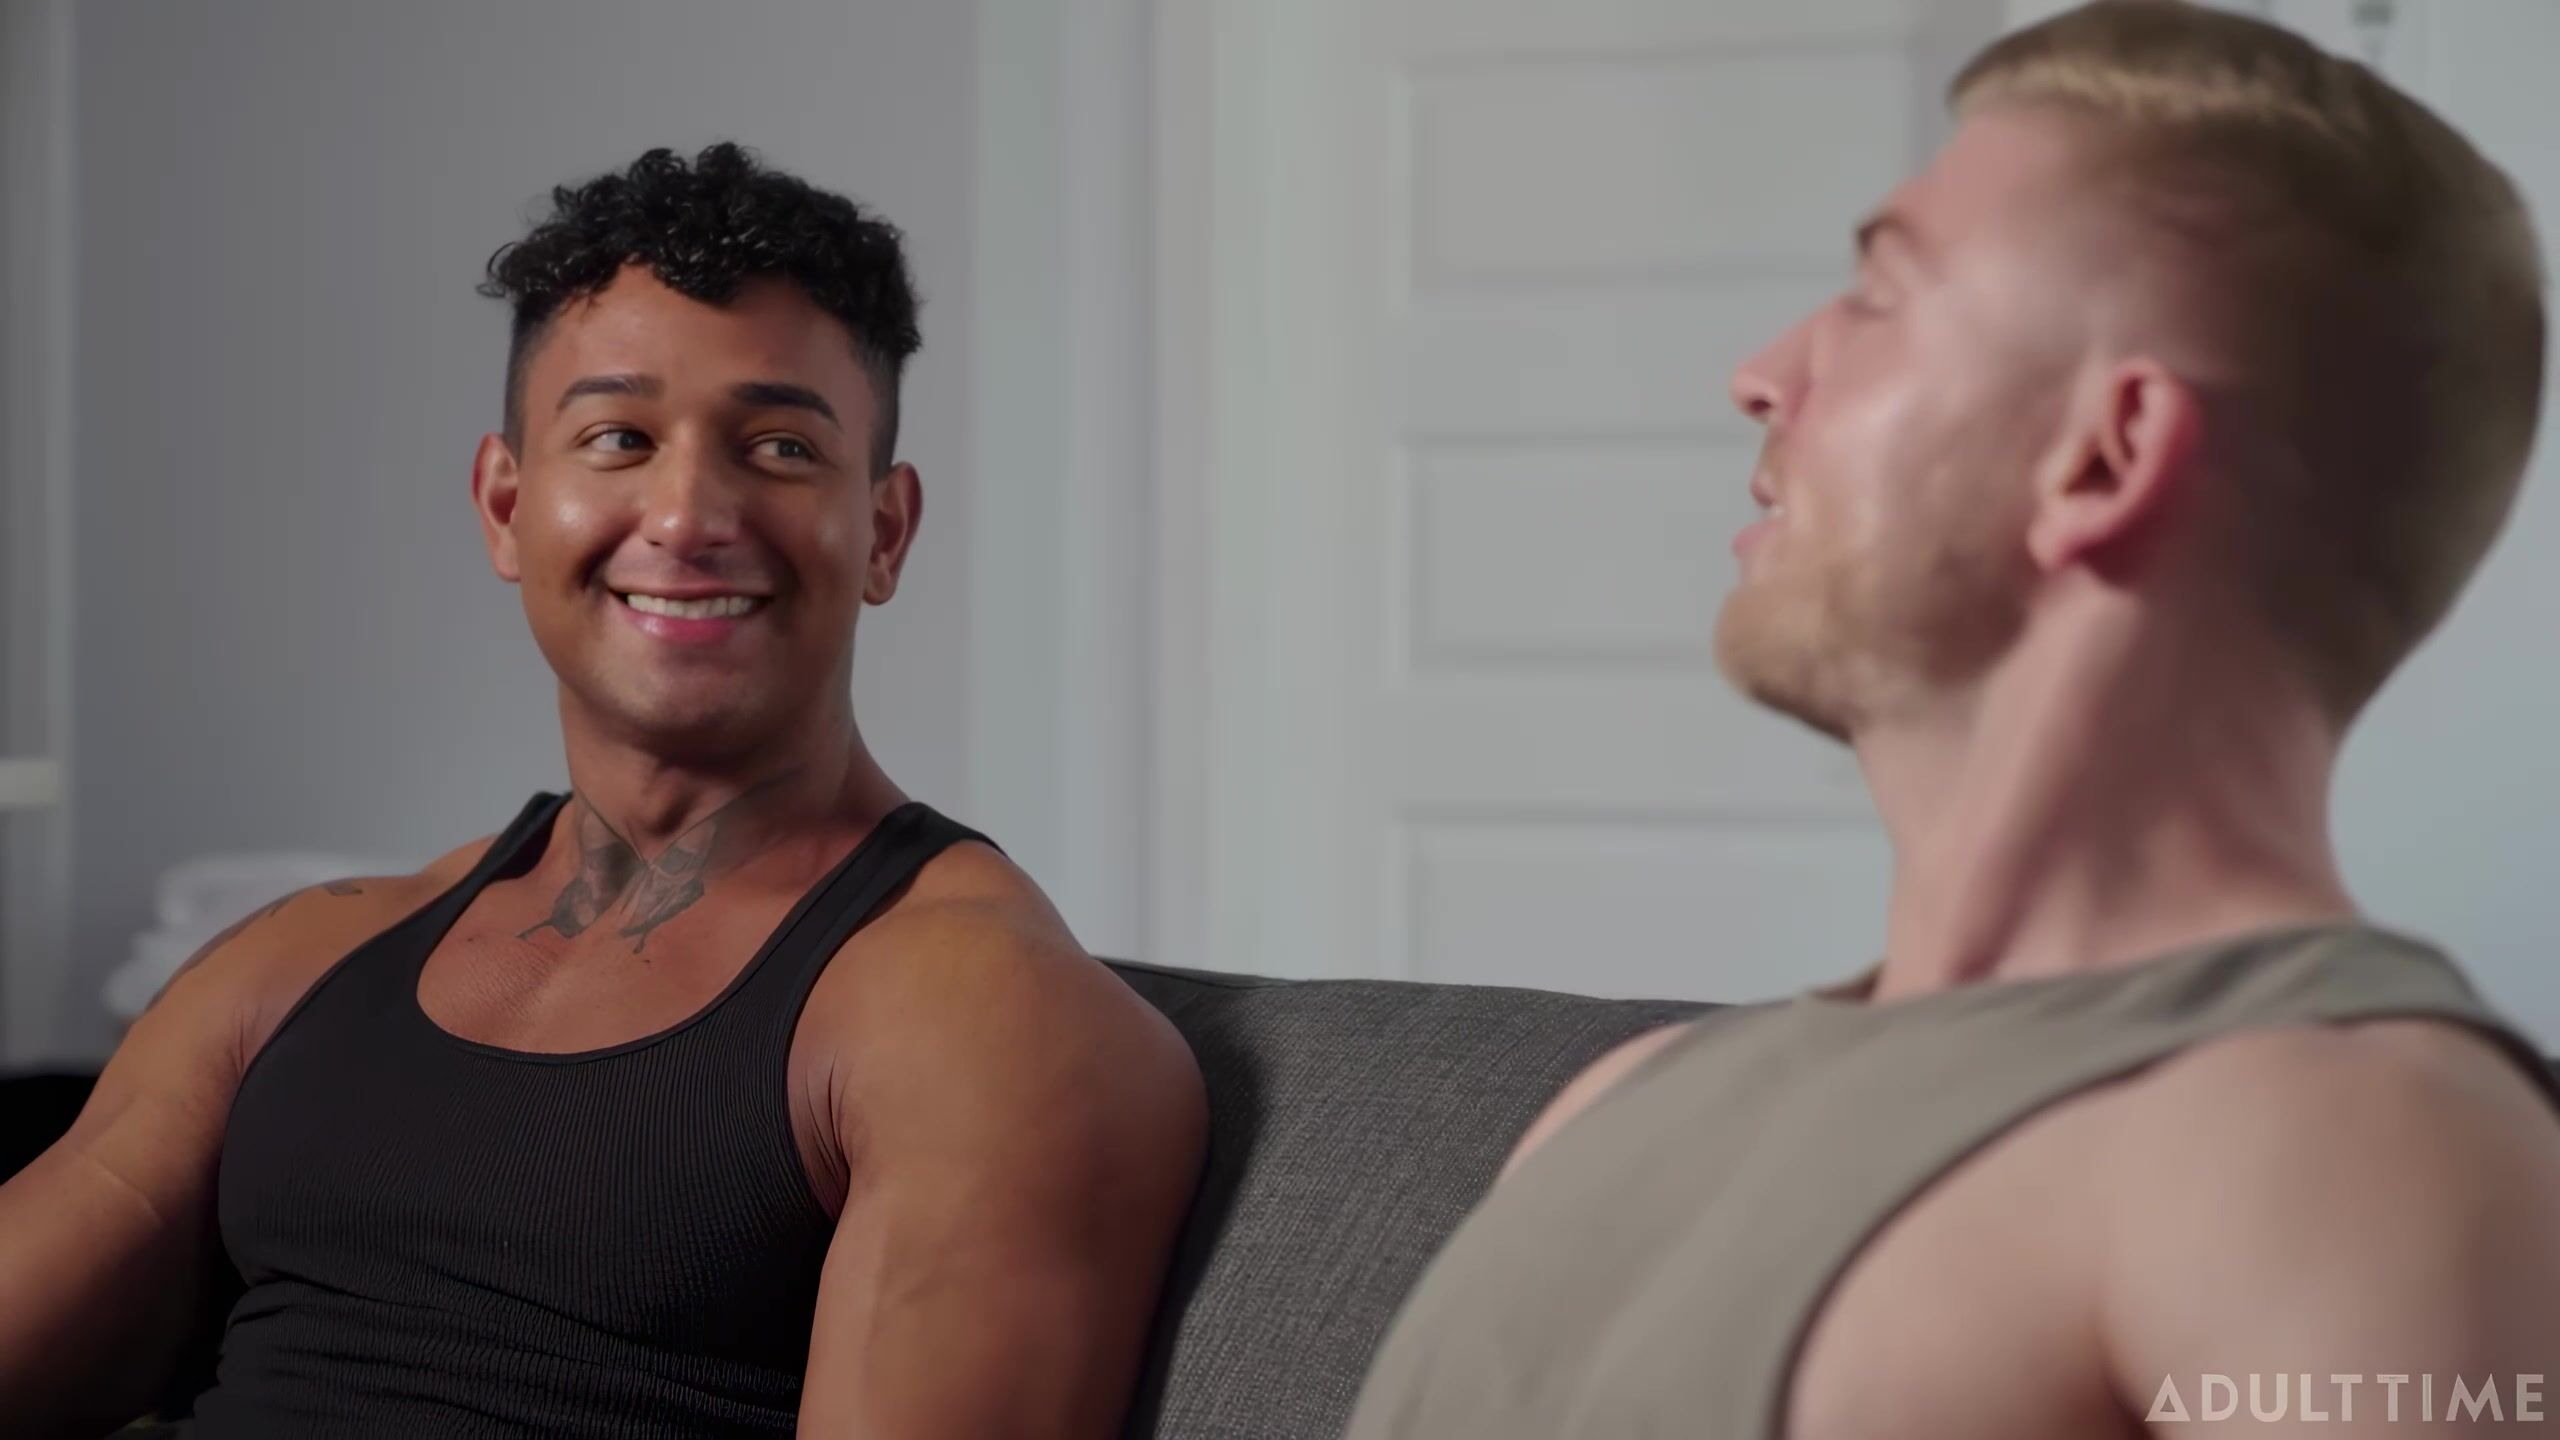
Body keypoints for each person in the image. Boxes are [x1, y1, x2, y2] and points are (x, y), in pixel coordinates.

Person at [1346, 3, 2560, 1436]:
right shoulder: (1616, 1102)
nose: (1762, 374)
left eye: (1879, 294)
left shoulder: (2352, 1149)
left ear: (2103, 457)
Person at [0, 143, 1206, 1439]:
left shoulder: (976, 1011)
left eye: (780, 446)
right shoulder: (302, 958)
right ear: (506, 506)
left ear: (884, 531)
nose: (687, 515)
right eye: (619, 437)